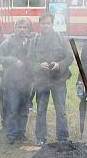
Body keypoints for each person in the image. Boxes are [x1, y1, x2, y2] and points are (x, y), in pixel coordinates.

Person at [29, 13, 73, 144]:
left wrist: (59, 65)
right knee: (41, 111)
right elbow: (28, 61)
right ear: (39, 25)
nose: (46, 25)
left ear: (52, 24)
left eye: (48, 23)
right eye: (43, 23)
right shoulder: (34, 40)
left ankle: (63, 137)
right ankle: (41, 138)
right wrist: (38, 65)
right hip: (41, 81)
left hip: (58, 80)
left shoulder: (61, 38)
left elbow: (69, 58)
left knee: (61, 111)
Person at [0, 18, 34, 143]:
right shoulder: (8, 42)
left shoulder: (31, 42)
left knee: (24, 109)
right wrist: (12, 60)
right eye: (19, 27)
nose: (22, 30)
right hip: (11, 81)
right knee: (12, 109)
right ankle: (11, 135)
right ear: (15, 28)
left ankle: (21, 133)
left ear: (28, 28)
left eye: (24, 27)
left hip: (27, 81)